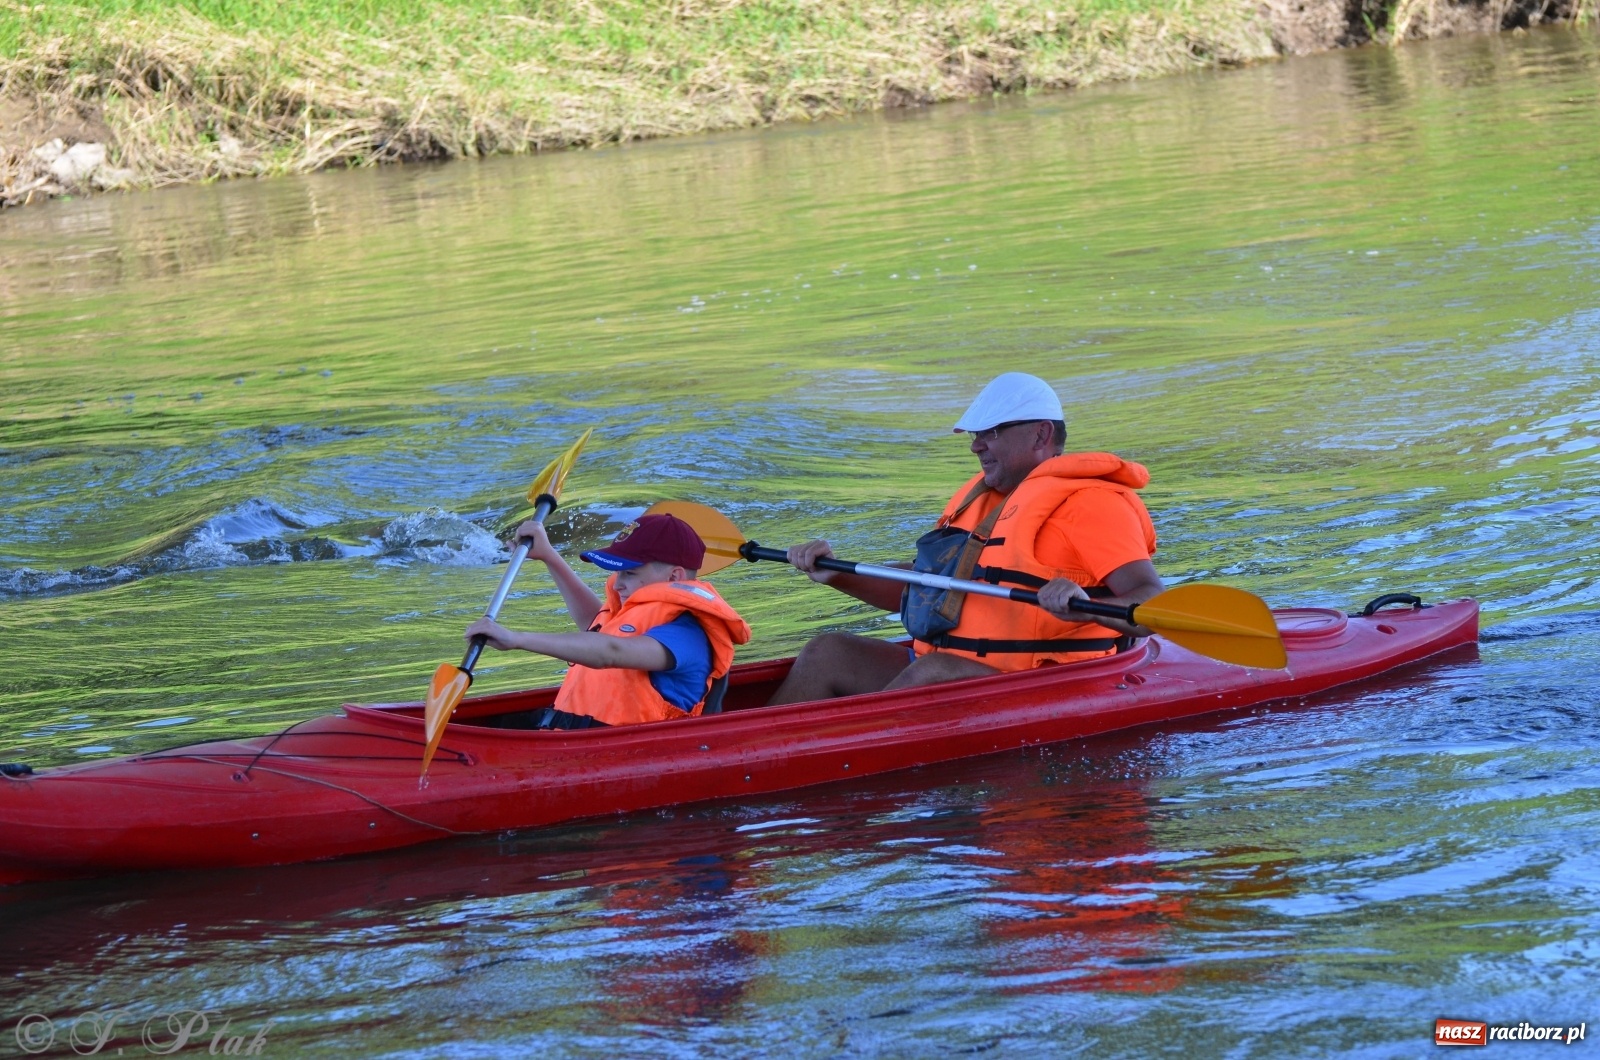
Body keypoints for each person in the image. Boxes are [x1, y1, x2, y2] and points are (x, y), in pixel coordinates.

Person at [768, 372, 1164, 704]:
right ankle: (766, 743)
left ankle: (828, 748)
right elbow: (931, 589)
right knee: (828, 652)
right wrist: (836, 574)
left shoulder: (1091, 504)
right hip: (948, 669)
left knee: (936, 671)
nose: (976, 445)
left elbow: (1152, 601)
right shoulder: (985, 498)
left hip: (1042, 685)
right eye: (975, 434)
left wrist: (1087, 608)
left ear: (1041, 434)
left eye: (991, 432)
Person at [466, 513, 751, 728]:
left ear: (674, 577)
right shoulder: (635, 612)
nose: (617, 585)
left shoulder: (686, 635)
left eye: (629, 573)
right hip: (571, 739)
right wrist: (549, 556)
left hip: (630, 753)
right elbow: (597, 626)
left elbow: (610, 652)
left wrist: (517, 639)